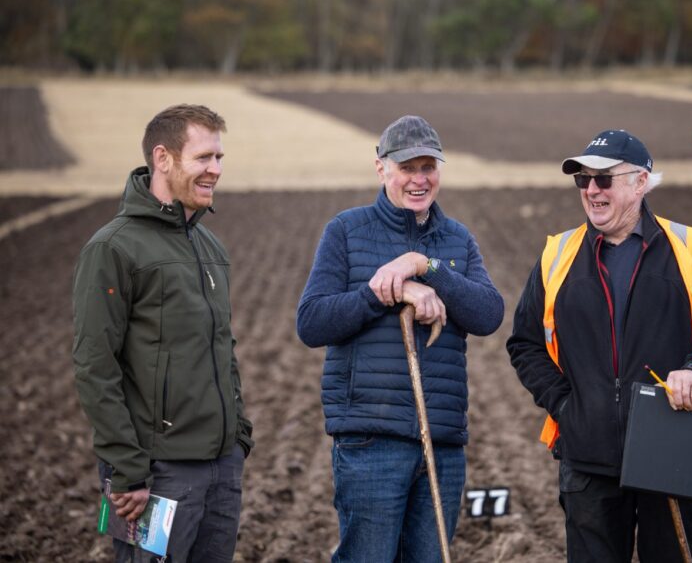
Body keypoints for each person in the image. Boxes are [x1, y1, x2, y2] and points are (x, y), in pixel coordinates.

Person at [506, 129, 692, 562]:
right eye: (583, 179)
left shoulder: (689, 250)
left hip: (673, 450)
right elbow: (525, 342)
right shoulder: (557, 255)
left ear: (641, 181)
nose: (591, 190)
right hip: (588, 462)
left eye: (604, 179)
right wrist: (566, 405)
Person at [297, 115, 504, 561]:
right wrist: (383, 292)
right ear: (381, 168)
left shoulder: (457, 241)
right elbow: (312, 322)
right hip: (371, 442)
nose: (419, 179)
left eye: (429, 167)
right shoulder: (347, 232)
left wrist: (424, 267)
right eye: (408, 167)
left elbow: (488, 314)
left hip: (442, 444)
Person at [72, 104, 254, 562]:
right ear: (163, 158)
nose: (215, 170)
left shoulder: (210, 246)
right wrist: (126, 470)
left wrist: (238, 437)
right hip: (156, 477)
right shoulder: (113, 247)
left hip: (221, 470)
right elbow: (96, 366)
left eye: (219, 158)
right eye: (204, 158)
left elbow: (221, 348)